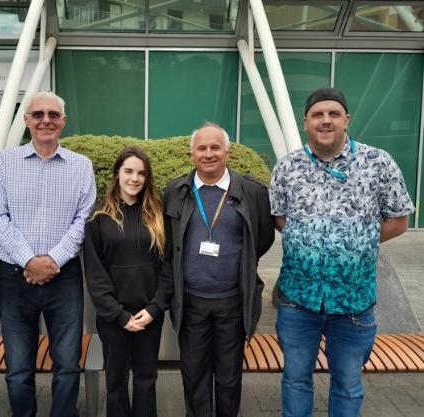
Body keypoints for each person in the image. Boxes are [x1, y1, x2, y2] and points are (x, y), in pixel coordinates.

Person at [269, 87, 415, 417]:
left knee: (348, 386)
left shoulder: (378, 163)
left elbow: (399, 220)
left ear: (346, 120)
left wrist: (356, 241)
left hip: (354, 302)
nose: (325, 121)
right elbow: (280, 218)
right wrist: (311, 241)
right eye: (318, 115)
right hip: (297, 301)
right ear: (305, 121)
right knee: (295, 380)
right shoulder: (287, 167)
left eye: (333, 114)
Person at [0, 91, 96, 417]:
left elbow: (84, 219)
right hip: (13, 276)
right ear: (26, 121)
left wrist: (52, 261)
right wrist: (29, 261)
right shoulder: (5, 162)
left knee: (67, 362)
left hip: (64, 277)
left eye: (52, 114)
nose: (45, 120)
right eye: (37, 114)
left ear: (63, 121)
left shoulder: (81, 166)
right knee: (19, 366)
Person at [161, 122, 275, 417]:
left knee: (228, 377)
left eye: (215, 147)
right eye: (202, 148)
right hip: (191, 301)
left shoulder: (252, 192)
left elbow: (261, 240)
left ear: (228, 151)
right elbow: (169, 243)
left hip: (233, 302)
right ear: (192, 154)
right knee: (194, 375)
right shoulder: (176, 191)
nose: (208, 154)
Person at [84, 146, 172, 417]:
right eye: (129, 171)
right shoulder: (98, 219)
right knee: (115, 381)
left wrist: (156, 308)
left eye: (141, 173)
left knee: (146, 380)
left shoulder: (158, 216)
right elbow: (95, 273)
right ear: (117, 174)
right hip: (114, 318)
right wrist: (118, 315)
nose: (135, 178)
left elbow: (168, 267)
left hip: (149, 314)